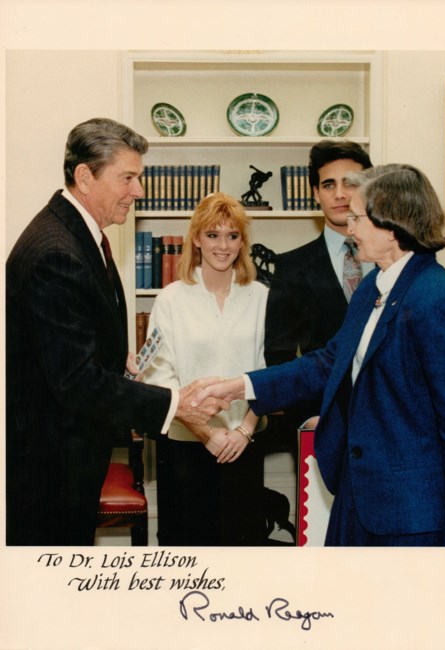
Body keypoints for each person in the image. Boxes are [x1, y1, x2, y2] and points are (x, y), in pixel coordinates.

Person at [193, 164, 445, 547]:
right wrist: (242, 386)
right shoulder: (375, 283)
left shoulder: (436, 298)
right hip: (357, 498)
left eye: (356, 218)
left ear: (392, 224)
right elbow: (327, 361)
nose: (348, 228)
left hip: (411, 519)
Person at [5, 117, 225, 546]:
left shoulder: (78, 236)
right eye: (128, 178)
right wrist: (175, 404)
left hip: (66, 461)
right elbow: (75, 382)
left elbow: (70, 351)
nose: (138, 192)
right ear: (85, 177)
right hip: (49, 472)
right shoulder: (57, 252)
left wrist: (113, 357)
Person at [143, 192, 269, 546]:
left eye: (232, 235)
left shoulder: (260, 297)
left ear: (242, 241)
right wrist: (207, 434)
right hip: (185, 449)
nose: (223, 246)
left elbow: (267, 370)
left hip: (244, 445)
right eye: (213, 235)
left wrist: (243, 431)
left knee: (242, 553)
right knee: (187, 552)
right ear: (196, 239)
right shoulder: (171, 298)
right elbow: (159, 376)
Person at [263, 140, 373, 449]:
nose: (340, 194)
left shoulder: (390, 259)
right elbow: (279, 355)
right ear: (315, 194)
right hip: (321, 424)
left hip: (389, 425)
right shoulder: (292, 267)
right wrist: (306, 418)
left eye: (350, 183)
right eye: (329, 184)